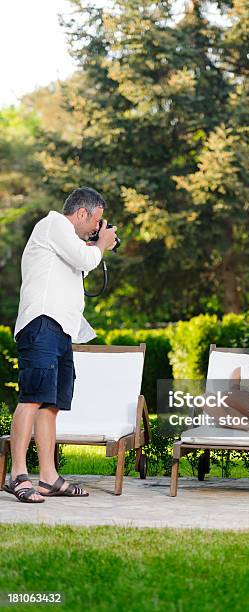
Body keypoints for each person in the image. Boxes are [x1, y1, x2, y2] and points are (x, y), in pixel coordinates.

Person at [3, 187, 117, 503]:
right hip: (41, 323)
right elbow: (86, 258)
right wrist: (101, 245)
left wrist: (97, 243)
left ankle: (49, 478)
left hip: (62, 331)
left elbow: (81, 258)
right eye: (96, 221)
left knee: (50, 404)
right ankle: (19, 476)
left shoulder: (68, 241)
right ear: (82, 213)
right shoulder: (52, 224)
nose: (97, 228)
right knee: (31, 398)